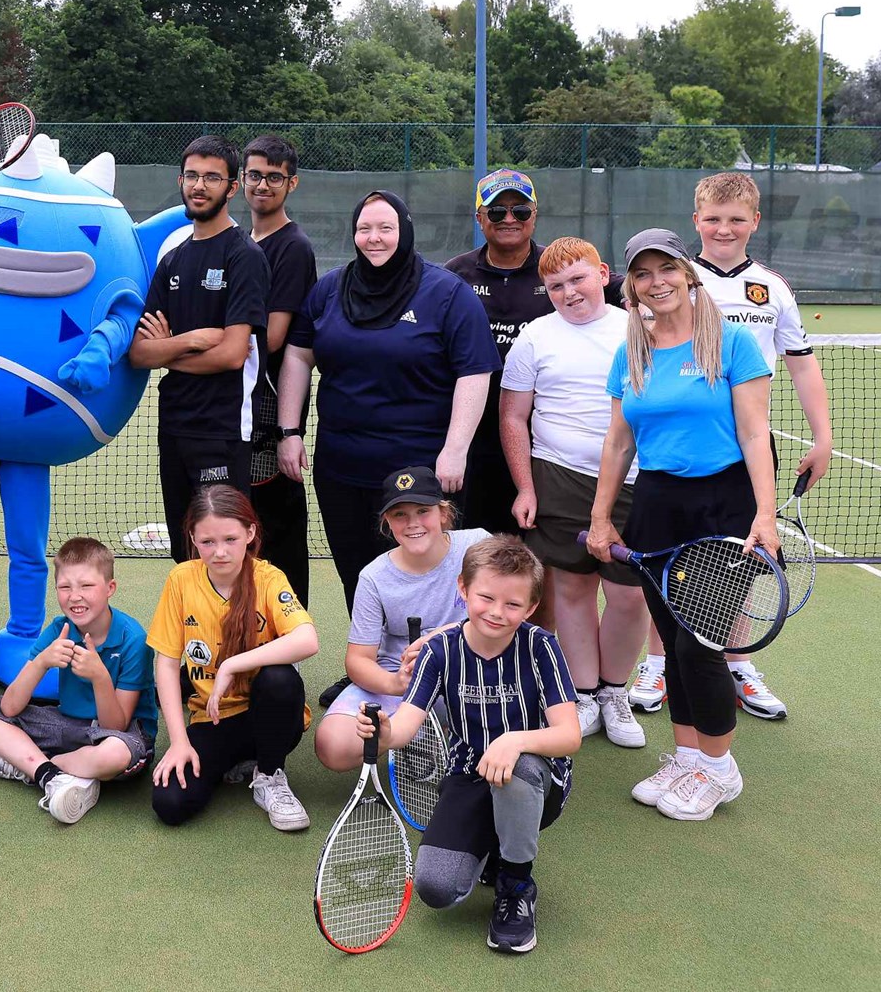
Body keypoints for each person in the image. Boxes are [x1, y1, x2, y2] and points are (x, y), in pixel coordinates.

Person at [588, 228, 777, 822]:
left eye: (665, 269)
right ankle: (689, 757)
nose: (656, 282)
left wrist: (765, 515)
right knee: (670, 641)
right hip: (657, 505)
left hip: (724, 504)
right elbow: (619, 443)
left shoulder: (733, 344)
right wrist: (601, 518)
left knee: (701, 645)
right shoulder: (632, 352)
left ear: (688, 273)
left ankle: (720, 770)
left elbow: (753, 433)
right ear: (631, 285)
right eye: (642, 274)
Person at [277, 191, 500, 615]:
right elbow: (298, 355)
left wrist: (455, 450)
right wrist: (290, 432)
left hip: (420, 468)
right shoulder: (328, 290)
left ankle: (432, 665)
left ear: (405, 230)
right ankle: (368, 666)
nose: (373, 238)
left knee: (426, 570)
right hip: (341, 467)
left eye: (385, 228)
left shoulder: (447, 293)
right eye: (364, 228)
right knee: (356, 569)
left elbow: (474, 373)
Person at [360, 536, 582, 956]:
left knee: (516, 773)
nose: (498, 612)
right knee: (436, 888)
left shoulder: (540, 646)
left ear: (531, 607)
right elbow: (406, 724)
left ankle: (516, 884)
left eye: (513, 605)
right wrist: (384, 732)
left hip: (536, 778)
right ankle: (493, 846)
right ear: (462, 589)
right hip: (469, 771)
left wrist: (513, 742)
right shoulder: (440, 650)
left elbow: (569, 735)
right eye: (486, 597)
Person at [668, 170, 832, 722]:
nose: (723, 228)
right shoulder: (673, 279)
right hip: (675, 450)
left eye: (736, 219)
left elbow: (802, 364)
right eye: (712, 219)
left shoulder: (773, 287)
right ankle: (655, 662)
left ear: (754, 222)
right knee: (667, 560)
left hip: (747, 452)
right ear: (696, 221)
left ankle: (735, 664)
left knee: (737, 563)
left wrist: (823, 436)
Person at [500, 237, 647, 749]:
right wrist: (525, 487)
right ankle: (584, 694)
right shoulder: (535, 337)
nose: (569, 292)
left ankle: (614, 692)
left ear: (604, 273)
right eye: (556, 286)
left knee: (630, 596)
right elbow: (513, 417)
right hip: (558, 478)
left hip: (633, 481)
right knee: (573, 591)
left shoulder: (641, 328)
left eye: (578, 279)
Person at [445, 170, 623, 539]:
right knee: (473, 545)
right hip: (472, 440)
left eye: (520, 210)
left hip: (542, 446)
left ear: (535, 215)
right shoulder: (454, 275)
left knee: (536, 554)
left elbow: (634, 286)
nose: (509, 219)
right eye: (496, 212)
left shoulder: (558, 270)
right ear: (479, 218)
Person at [129, 136, 269, 564]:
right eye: (192, 175)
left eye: (212, 177)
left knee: (224, 555)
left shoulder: (244, 255)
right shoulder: (173, 259)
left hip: (222, 430)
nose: (199, 185)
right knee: (185, 553)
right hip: (174, 427)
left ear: (231, 186)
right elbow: (138, 353)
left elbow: (231, 355)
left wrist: (165, 350)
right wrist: (190, 340)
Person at [148, 485, 318, 831]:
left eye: (230, 539)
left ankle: (270, 775)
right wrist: (179, 742)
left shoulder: (268, 578)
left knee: (279, 678)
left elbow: (307, 639)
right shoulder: (181, 580)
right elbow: (166, 663)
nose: (220, 552)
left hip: (271, 717)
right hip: (213, 718)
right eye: (208, 542)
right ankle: (235, 762)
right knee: (169, 805)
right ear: (193, 538)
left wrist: (232, 664)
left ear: (250, 532)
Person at [0, 536, 159, 824]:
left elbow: (115, 725)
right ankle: (59, 777)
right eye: (65, 587)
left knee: (114, 755)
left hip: (121, 734)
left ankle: (33, 766)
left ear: (110, 589)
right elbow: (9, 708)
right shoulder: (59, 629)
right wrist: (42, 662)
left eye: (86, 586)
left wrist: (99, 676)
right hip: (67, 725)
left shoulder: (134, 640)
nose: (75, 596)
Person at [312, 467, 488, 771]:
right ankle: (411, 735)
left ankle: (440, 733)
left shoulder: (478, 546)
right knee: (333, 746)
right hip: (403, 676)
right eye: (400, 515)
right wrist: (397, 683)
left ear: (443, 513)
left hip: (472, 675)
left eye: (423, 511)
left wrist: (452, 632)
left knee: (506, 745)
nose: (413, 523)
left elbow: (514, 609)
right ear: (387, 523)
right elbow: (358, 661)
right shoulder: (374, 577)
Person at [242, 135, 318, 604]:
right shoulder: (239, 242)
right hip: (235, 408)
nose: (263, 185)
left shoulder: (293, 247)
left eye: (274, 177)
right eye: (255, 175)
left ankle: (288, 642)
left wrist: (196, 341)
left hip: (270, 410)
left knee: (277, 528)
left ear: (291, 182)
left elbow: (270, 338)